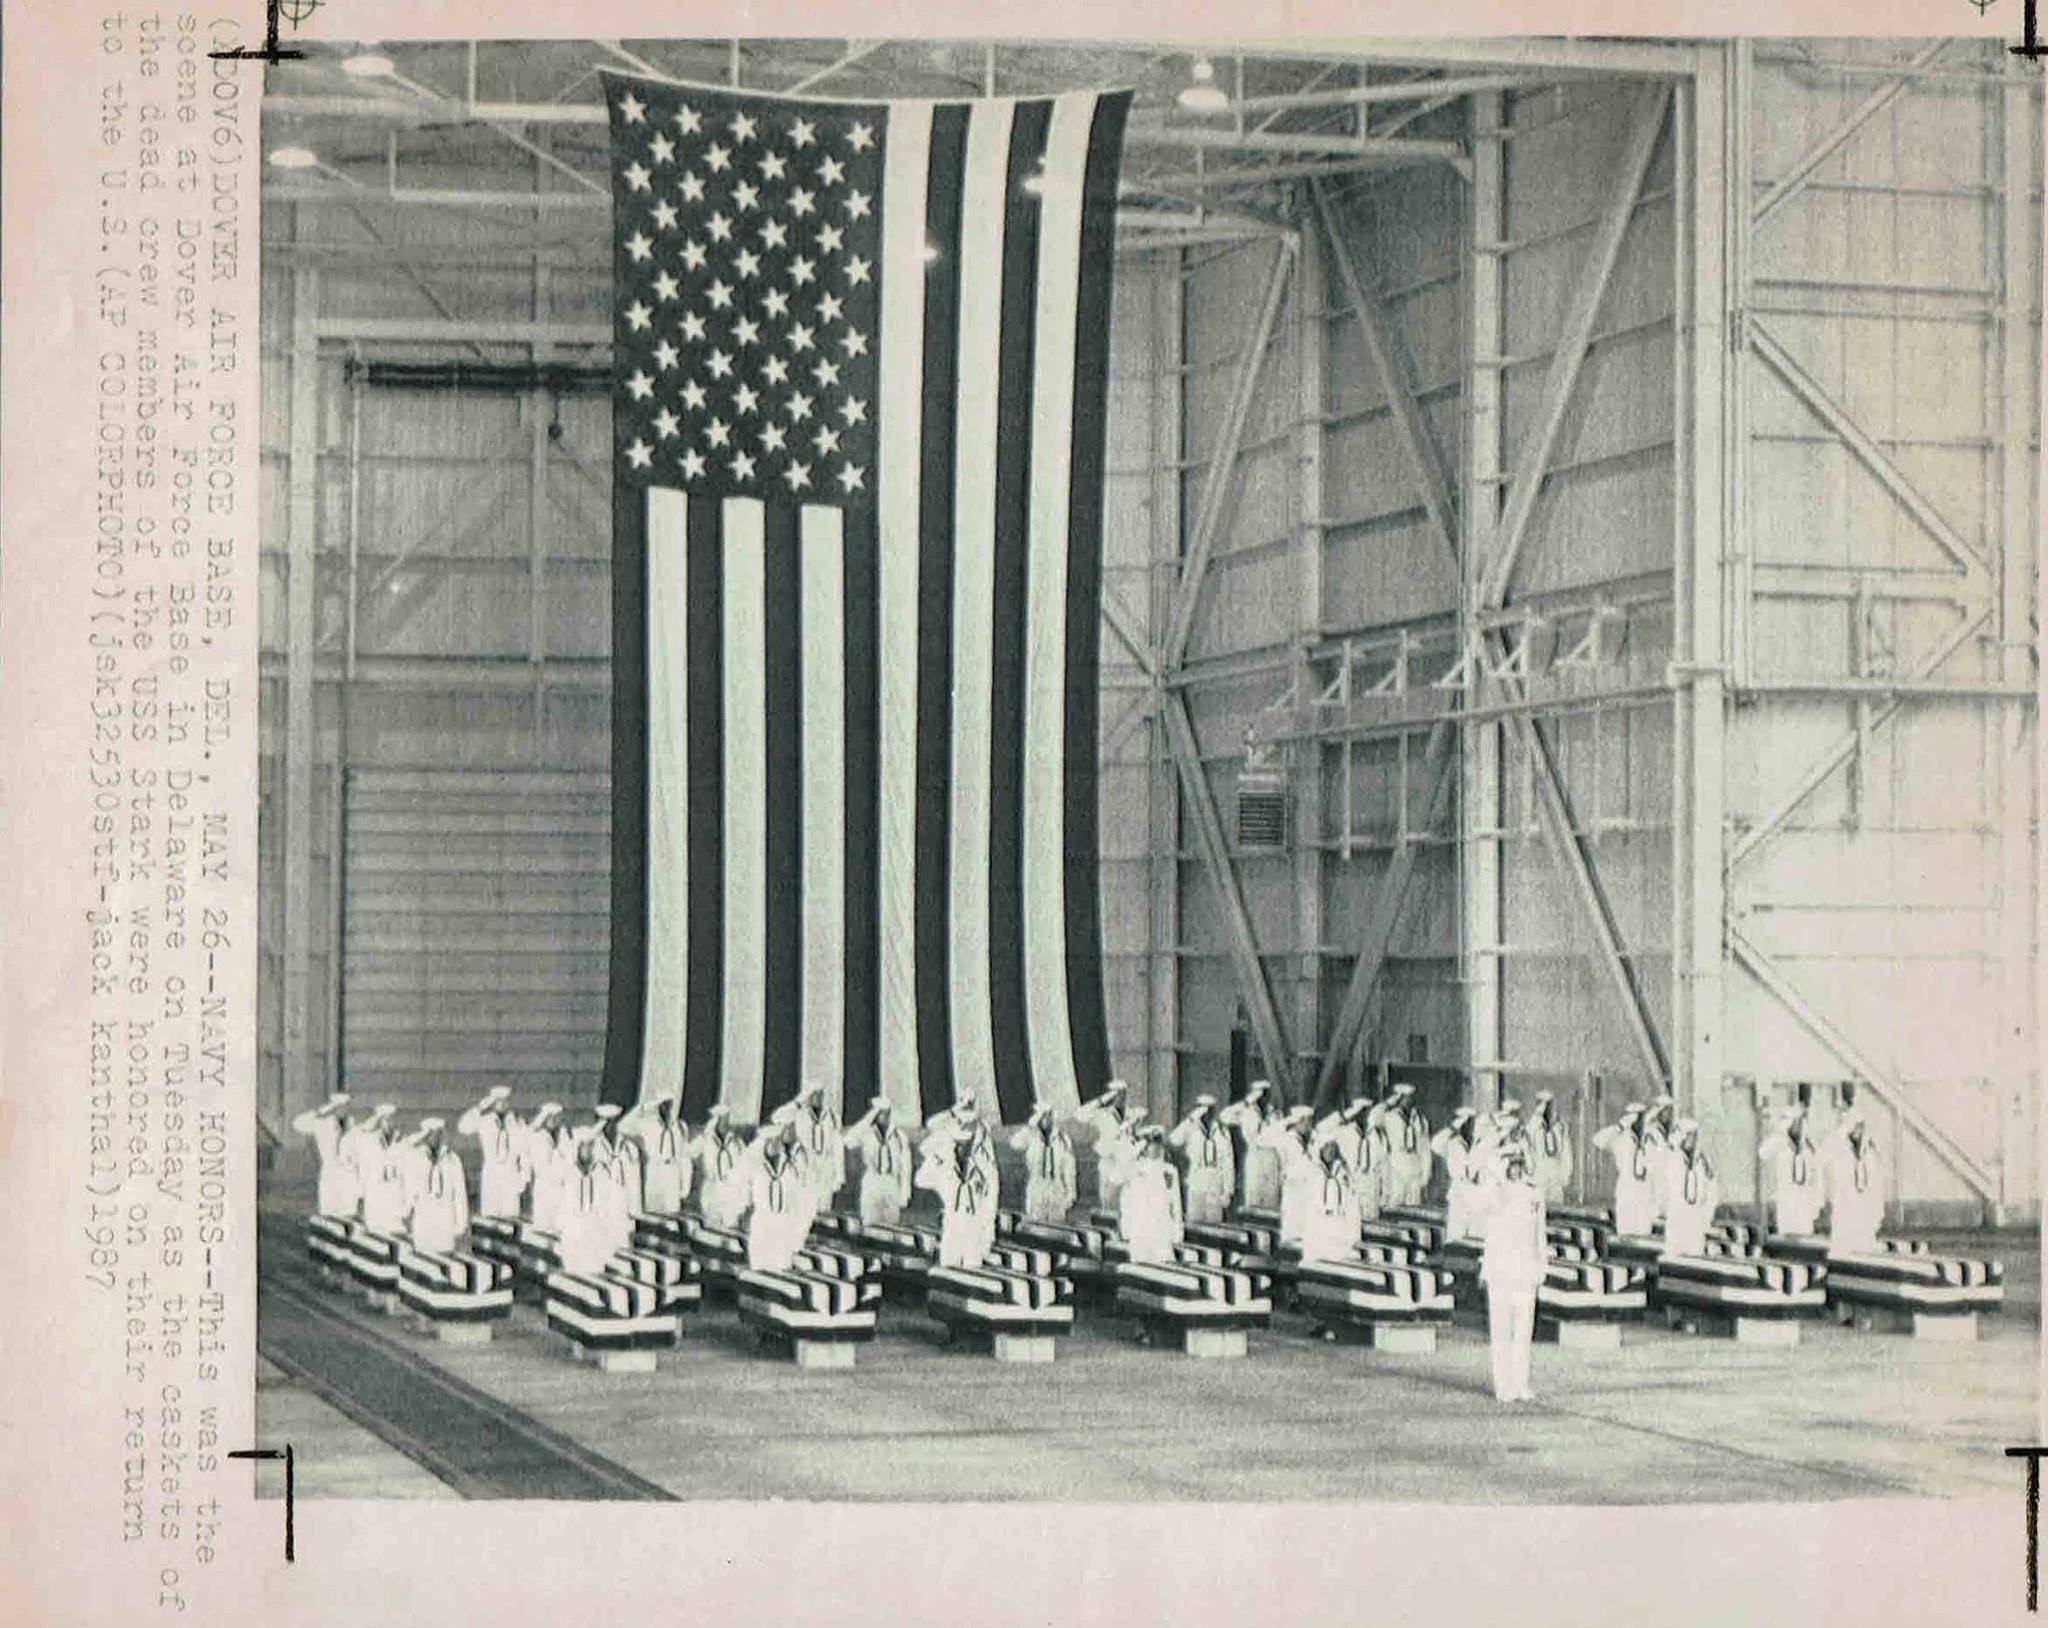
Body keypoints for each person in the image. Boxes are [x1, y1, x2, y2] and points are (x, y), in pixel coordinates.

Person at [1479, 1146, 1547, 1403]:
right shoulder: (1495, 1193)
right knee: (1501, 1331)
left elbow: (1540, 1233)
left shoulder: (1534, 1194)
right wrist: (1495, 1170)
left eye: (1520, 1163)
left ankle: (1521, 1383)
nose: (1516, 1168)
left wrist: (1542, 1265)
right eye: (1511, 1163)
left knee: (1523, 1331)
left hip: (1526, 1270)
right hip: (1501, 1271)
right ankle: (1503, 1385)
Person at [916, 1095, 1000, 1269]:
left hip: (974, 1226)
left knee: (973, 1270)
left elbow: (990, 1202)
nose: (962, 1148)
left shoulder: (983, 1169)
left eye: (966, 1143)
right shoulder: (946, 1168)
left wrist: (987, 1233)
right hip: (953, 1223)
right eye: (958, 1144)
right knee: (948, 1267)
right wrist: (953, 1112)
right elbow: (920, 1179)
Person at [743, 1107, 817, 1271]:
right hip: (762, 1223)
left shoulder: (793, 1165)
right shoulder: (756, 1166)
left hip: (784, 1223)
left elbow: (804, 1198)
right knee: (760, 1268)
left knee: (782, 1268)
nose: (775, 1145)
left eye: (777, 1140)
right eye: (771, 1141)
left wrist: (800, 1230)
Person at [456, 1086, 530, 1221]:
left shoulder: (517, 1122)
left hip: (511, 1172)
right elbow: (463, 1127)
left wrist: (524, 1177)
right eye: (498, 1101)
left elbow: (525, 1151)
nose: (502, 1104)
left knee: (511, 1215)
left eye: (505, 1101)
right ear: (492, 1103)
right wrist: (479, 1108)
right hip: (492, 1172)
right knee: (491, 1214)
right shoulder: (485, 1121)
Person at [555, 1134, 623, 1277]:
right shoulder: (569, 1172)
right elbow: (562, 1200)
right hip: (575, 1222)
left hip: (594, 1222)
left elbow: (608, 1199)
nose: (587, 1153)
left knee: (594, 1262)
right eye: (583, 1149)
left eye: (589, 1150)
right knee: (574, 1262)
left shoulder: (600, 1172)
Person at [1117, 1126, 1186, 1264]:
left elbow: (1176, 1204)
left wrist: (1178, 1232)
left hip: (1162, 1229)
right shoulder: (1133, 1169)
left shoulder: (1169, 1171)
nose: (1155, 1148)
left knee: (1164, 1268)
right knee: (1140, 1269)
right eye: (1150, 1144)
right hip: (1140, 1229)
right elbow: (1117, 1181)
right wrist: (1126, 1229)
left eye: (1158, 1144)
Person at [404, 1119, 471, 1255]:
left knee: (445, 1259)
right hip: (424, 1219)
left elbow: (459, 1194)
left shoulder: (452, 1160)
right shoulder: (416, 1158)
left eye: (438, 1133)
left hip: (445, 1220)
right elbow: (404, 1148)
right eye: (431, 1134)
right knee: (424, 1261)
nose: (434, 1138)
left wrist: (460, 1223)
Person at [1822, 1105, 1884, 1253]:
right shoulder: (1838, 1147)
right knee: (1843, 1247)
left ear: (1862, 1127)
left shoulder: (1870, 1150)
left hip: (1865, 1209)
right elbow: (1824, 1155)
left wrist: (1878, 1213)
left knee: (1865, 1245)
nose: (1854, 1131)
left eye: (1857, 1126)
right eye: (1851, 1127)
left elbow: (1877, 1183)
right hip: (1845, 1209)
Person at [1259, 1104, 1320, 1249]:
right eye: (1305, 1121)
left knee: (1309, 1232)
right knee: (1292, 1231)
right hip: (1293, 1190)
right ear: (1297, 1121)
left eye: (1310, 1121)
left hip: (1310, 1191)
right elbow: (1262, 1138)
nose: (1309, 1125)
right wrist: (1286, 1122)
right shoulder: (1286, 1139)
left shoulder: (1312, 1141)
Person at [1591, 1104, 1659, 1235]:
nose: (1640, 1123)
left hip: (1645, 1194)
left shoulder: (1650, 1139)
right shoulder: (1620, 1139)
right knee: (1626, 1233)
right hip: (1627, 1193)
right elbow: (1598, 1141)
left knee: (1644, 1234)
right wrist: (1620, 1126)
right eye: (1637, 1119)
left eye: (1641, 1119)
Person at [291, 1092, 361, 1219]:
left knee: (349, 1216)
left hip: (350, 1178)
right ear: (333, 1107)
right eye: (338, 1106)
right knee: (329, 1216)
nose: (342, 1109)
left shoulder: (355, 1127)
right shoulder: (323, 1125)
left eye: (345, 1106)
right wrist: (322, 1110)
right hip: (330, 1176)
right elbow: (298, 1124)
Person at [1168, 1096, 1236, 1225]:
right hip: (1197, 1178)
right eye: (1203, 1109)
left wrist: (1228, 1190)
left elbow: (1228, 1161)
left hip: (1215, 1180)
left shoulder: (1221, 1131)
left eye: (1210, 1110)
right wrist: (1190, 1120)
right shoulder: (1191, 1128)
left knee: (1214, 1222)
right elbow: (1174, 1139)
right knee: (1195, 1220)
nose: (1207, 1114)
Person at [1075, 1080, 1142, 1210]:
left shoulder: (1132, 1114)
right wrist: (1103, 1099)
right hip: (1109, 1163)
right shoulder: (1102, 1114)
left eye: (1123, 1094)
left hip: (1127, 1163)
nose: (1121, 1098)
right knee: (1109, 1203)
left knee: (1129, 1204)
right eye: (1117, 1094)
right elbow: (1080, 1115)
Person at [845, 1100, 914, 1225]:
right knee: (870, 1221)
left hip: (891, 1182)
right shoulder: (866, 1134)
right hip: (872, 1180)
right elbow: (849, 1141)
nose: (884, 1117)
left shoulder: (899, 1136)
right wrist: (869, 1117)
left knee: (891, 1222)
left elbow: (906, 1167)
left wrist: (905, 1192)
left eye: (887, 1113)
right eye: (880, 1113)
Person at [622, 1094, 693, 1216]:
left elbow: (685, 1158)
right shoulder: (647, 1125)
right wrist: (643, 1108)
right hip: (654, 1171)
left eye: (669, 1104)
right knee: (653, 1214)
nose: (666, 1108)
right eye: (663, 1104)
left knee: (672, 1216)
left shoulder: (680, 1126)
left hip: (673, 1174)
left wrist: (685, 1186)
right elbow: (622, 1127)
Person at [1759, 1103, 1824, 1235]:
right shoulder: (1781, 1145)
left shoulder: (1810, 1149)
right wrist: (1781, 1130)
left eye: (1801, 1123)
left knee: (1805, 1243)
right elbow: (1762, 1153)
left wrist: (1817, 1205)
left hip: (1805, 1206)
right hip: (1786, 1205)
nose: (1799, 1128)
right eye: (1795, 1123)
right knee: (1787, 1241)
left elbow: (1817, 1179)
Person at [1008, 1102, 1077, 1225]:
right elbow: (1014, 1143)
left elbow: (1069, 1168)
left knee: (1058, 1225)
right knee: (1036, 1224)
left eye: (1047, 1115)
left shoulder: (1063, 1139)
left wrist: (1070, 1192)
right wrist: (1029, 1127)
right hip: (1037, 1186)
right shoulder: (1031, 1137)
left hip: (1056, 1187)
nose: (1044, 1120)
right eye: (1041, 1116)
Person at [1220, 1080, 1283, 1210]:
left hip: (1271, 1155)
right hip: (1255, 1153)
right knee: (1254, 1195)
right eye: (1262, 1094)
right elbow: (1224, 1116)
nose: (1265, 1098)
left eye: (1267, 1094)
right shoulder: (1247, 1111)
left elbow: (1281, 1138)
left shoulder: (1275, 1113)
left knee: (1271, 1199)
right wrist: (1245, 1102)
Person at [1299, 1137, 1363, 1265]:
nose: (1330, 1150)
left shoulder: (1343, 1171)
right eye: (1326, 1146)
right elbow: (1304, 1204)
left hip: (1339, 1224)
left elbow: (1352, 1202)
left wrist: (1355, 1231)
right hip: (1318, 1225)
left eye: (1333, 1146)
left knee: (1339, 1260)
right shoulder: (1311, 1171)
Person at [589, 1104, 644, 1250]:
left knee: (622, 1244)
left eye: (614, 1122)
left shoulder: (628, 1147)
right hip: (600, 1205)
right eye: (606, 1123)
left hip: (621, 1205)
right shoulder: (593, 1146)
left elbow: (634, 1181)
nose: (611, 1127)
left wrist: (635, 1210)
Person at [1661, 1119, 1718, 1257]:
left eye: (1692, 1135)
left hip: (1695, 1220)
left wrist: (1707, 1218)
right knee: (1674, 1258)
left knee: (1695, 1258)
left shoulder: (1703, 1161)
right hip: (1676, 1218)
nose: (1689, 1140)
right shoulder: (1672, 1157)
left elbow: (1711, 1192)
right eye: (1686, 1135)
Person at [691, 1104, 752, 1229]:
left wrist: (746, 1195)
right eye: (722, 1119)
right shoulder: (706, 1141)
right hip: (713, 1187)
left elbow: (746, 1166)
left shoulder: (736, 1142)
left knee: (731, 1224)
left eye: (727, 1119)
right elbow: (690, 1152)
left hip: (732, 1189)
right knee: (712, 1224)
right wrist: (704, 1135)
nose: (725, 1124)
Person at [356, 1105, 412, 1236]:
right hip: (375, 1202)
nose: (389, 1124)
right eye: (385, 1120)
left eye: (391, 1120)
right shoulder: (368, 1142)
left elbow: (409, 1175)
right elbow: (359, 1133)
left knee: (396, 1234)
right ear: (379, 1121)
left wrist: (407, 1206)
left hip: (396, 1203)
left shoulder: (403, 1144)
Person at [1431, 1109, 1486, 1241]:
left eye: (1472, 1123)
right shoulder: (1453, 1142)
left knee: (1473, 1229)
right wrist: (1452, 1128)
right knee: (1456, 1230)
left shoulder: (1475, 1142)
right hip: (1459, 1191)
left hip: (1473, 1190)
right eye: (1469, 1123)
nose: (1472, 1127)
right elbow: (1435, 1144)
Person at [1374, 1083, 1432, 1207]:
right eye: (1405, 1097)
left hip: (1415, 1168)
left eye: (1411, 1097)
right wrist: (1388, 1103)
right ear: (1399, 1098)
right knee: (1394, 1205)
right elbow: (1372, 1119)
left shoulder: (1421, 1120)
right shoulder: (1389, 1117)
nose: (1409, 1101)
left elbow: (1425, 1148)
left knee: (1414, 1207)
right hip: (1396, 1166)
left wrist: (1426, 1174)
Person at [524, 1103, 575, 1234]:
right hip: (545, 1187)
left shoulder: (563, 1135)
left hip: (561, 1187)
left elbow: (570, 1158)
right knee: (544, 1225)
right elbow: (542, 1167)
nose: (556, 1121)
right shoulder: (538, 1137)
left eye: (558, 1117)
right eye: (552, 1118)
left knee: (560, 1226)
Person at [795, 1079, 846, 1205]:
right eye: (813, 1095)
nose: (817, 1098)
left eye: (820, 1095)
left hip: (826, 1164)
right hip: (807, 1165)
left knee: (824, 1203)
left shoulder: (832, 1117)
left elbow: (837, 1146)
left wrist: (839, 1176)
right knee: (806, 1204)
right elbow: (778, 1118)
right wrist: (798, 1102)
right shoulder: (800, 1116)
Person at [1528, 1091, 1573, 1205]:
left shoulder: (1559, 1128)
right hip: (1540, 1174)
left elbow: (1565, 1151)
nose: (1547, 1110)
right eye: (1544, 1105)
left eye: (1549, 1106)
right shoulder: (1534, 1127)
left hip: (1556, 1174)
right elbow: (1531, 1149)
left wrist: (1565, 1173)